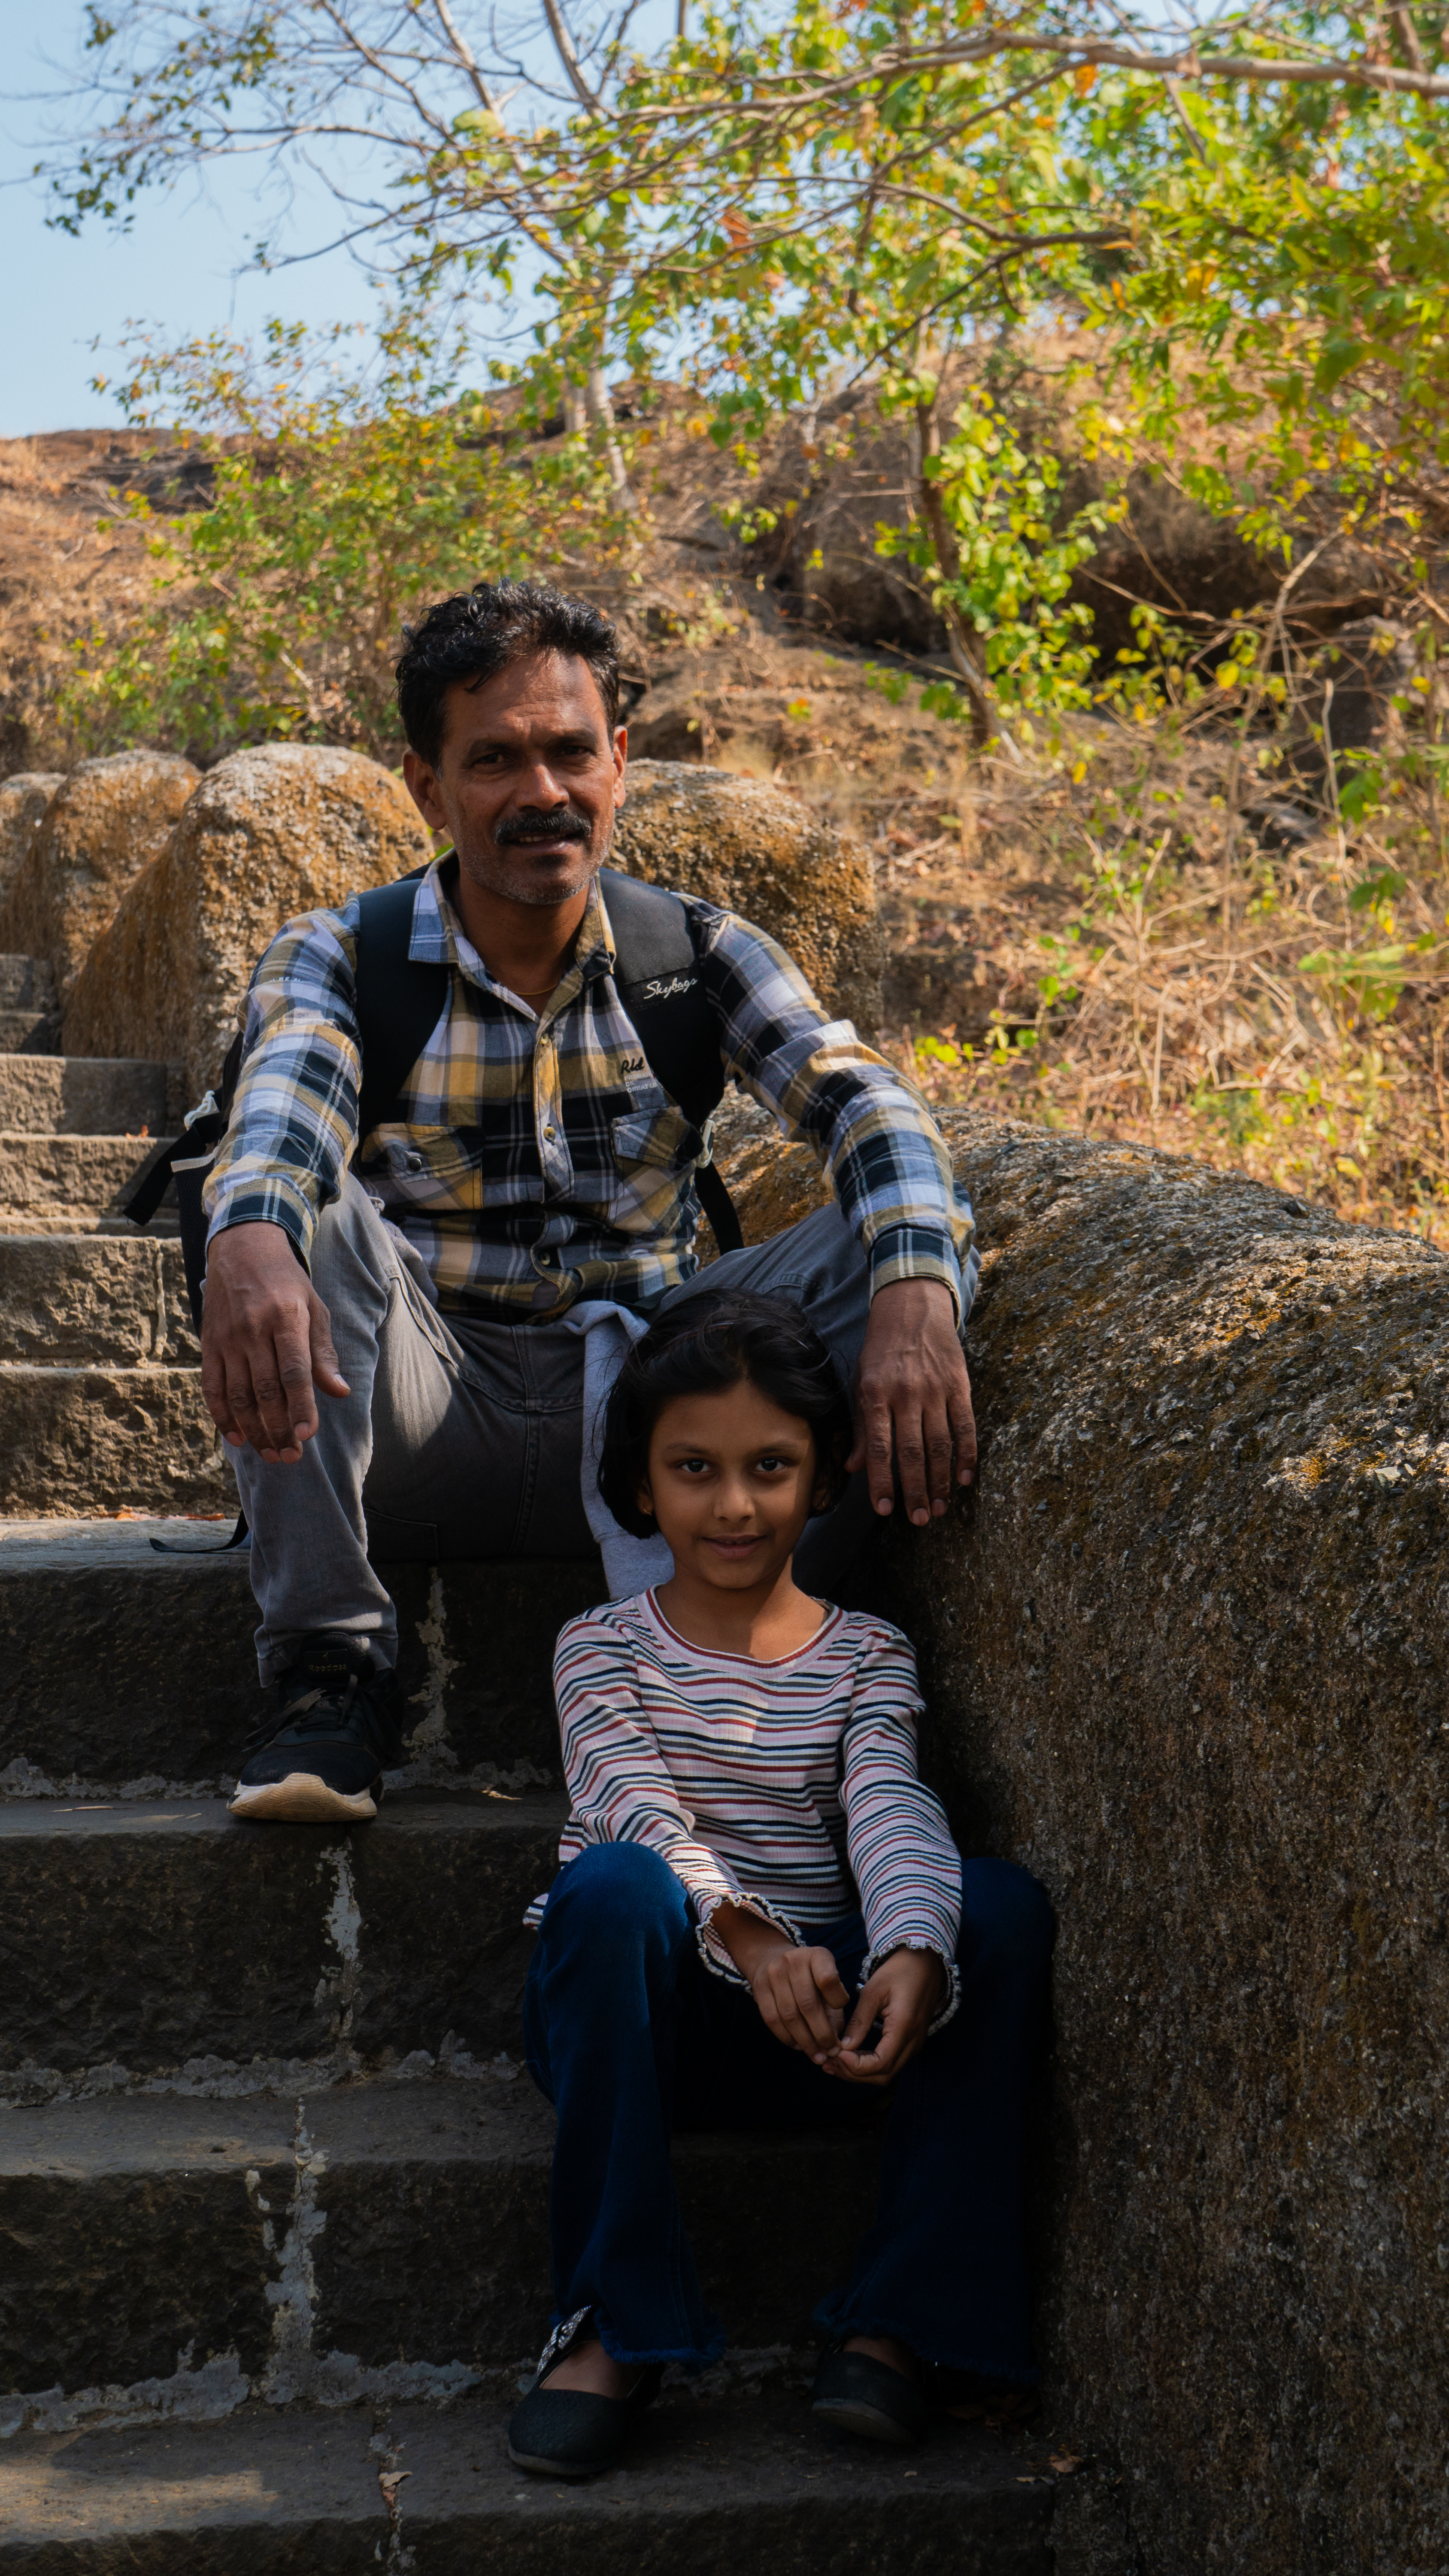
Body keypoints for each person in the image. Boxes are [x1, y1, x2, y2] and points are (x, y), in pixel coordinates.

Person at [202, 578, 979, 1821]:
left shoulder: (699, 954)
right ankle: (328, 1673)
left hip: (646, 1403)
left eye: (570, 751)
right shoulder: (337, 956)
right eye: (495, 759)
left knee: (888, 1244)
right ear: (427, 783)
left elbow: (866, 1102)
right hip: (419, 1401)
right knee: (297, 1222)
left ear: (621, 762)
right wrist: (247, 1235)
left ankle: (758, 1647)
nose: (541, 793)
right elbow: (286, 1116)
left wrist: (915, 1297)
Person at [509, 1288, 1053, 2479]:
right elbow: (639, 1810)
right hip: (652, 2019)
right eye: (695, 1468)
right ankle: (612, 2323)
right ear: (642, 1485)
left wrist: (914, 1946)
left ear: (823, 1477)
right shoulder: (599, 1647)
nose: (736, 1503)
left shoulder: (868, 1654)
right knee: (613, 1885)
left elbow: (889, 1805)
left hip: (828, 2030)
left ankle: (903, 2323)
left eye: (770, 1466)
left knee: (997, 1906)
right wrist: (750, 1944)